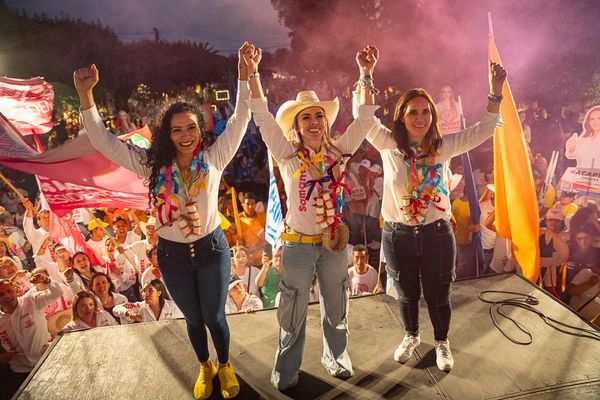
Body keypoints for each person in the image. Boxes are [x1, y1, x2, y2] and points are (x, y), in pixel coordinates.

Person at [74, 42, 253, 399]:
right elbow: (104, 141)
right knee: (193, 318)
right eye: (176, 130)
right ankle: (205, 366)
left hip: (212, 249)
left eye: (191, 128)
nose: (185, 136)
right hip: (171, 255)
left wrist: (244, 75)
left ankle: (225, 365)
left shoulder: (214, 158)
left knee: (215, 316)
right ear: (166, 135)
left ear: (200, 130)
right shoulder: (151, 166)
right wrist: (85, 95)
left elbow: (241, 119)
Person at [246, 44, 379, 389]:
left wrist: (365, 74)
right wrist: (254, 71)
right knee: (292, 314)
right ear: (297, 124)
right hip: (297, 248)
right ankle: (287, 370)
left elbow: (365, 118)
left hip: (334, 245)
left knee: (337, 307)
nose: (315, 122)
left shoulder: (340, 153)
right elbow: (261, 116)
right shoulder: (288, 156)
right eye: (307, 117)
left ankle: (336, 357)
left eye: (319, 116)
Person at [363, 61, 507, 372]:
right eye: (413, 112)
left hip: (437, 235)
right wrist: (366, 75)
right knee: (406, 293)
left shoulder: (445, 146)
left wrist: (494, 93)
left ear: (433, 116)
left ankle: (442, 341)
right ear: (402, 116)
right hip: (398, 234)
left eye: (425, 111)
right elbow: (363, 119)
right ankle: (411, 335)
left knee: (439, 295)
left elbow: (484, 129)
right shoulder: (389, 144)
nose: (420, 117)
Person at [0, 273, 63, 395]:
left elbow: (57, 293)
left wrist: (46, 280)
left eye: (9, 291)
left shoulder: (32, 300)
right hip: (20, 371)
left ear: (15, 290)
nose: (7, 296)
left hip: (47, 361)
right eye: (1, 294)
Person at [113, 279, 184, 322]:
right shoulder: (140, 307)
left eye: (150, 290)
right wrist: (132, 314)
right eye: (144, 291)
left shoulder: (173, 306)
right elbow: (117, 309)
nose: (146, 294)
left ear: (159, 293)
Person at [540, 208, 569, 297]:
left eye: (557, 220)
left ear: (561, 222)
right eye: (551, 219)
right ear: (546, 221)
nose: (554, 222)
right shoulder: (537, 233)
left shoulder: (566, 236)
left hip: (554, 269)